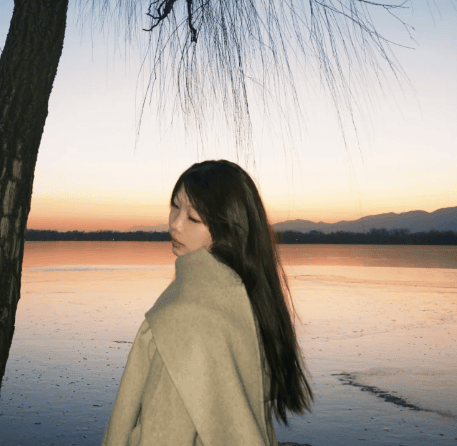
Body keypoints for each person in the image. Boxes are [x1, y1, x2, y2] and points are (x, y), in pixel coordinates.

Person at [101, 160, 313, 446]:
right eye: (175, 207)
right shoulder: (247, 298)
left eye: (193, 218)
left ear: (229, 230)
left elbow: (162, 434)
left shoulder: (185, 318)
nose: (174, 224)